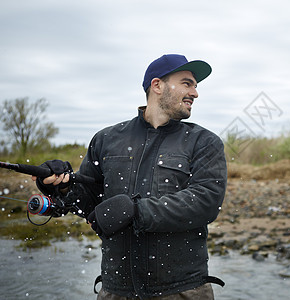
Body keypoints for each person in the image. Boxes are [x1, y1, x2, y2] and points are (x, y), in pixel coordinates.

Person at [31, 54, 227, 299]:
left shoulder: (204, 142)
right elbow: (90, 202)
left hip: (183, 290)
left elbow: (205, 202)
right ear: (157, 85)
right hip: (115, 291)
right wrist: (61, 187)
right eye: (187, 83)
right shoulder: (107, 139)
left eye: (195, 86)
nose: (195, 93)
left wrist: (136, 210)